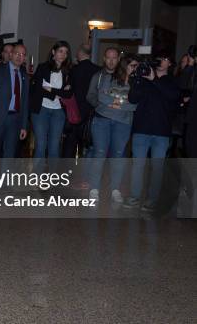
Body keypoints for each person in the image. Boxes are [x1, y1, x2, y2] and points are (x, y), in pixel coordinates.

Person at [125, 54, 180, 211]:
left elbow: (173, 96)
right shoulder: (144, 78)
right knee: (138, 165)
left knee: (157, 167)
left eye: (164, 58)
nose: (160, 60)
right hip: (141, 129)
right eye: (159, 57)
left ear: (170, 62)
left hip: (161, 132)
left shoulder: (172, 82)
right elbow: (133, 99)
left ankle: (152, 199)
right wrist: (136, 79)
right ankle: (134, 197)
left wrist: (154, 79)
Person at [86, 49, 138, 203]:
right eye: (108, 58)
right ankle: (94, 188)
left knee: (118, 156)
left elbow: (135, 104)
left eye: (114, 58)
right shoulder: (103, 76)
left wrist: (115, 104)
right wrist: (119, 104)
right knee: (99, 153)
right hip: (102, 120)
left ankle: (115, 189)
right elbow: (101, 96)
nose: (111, 61)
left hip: (123, 123)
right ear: (104, 58)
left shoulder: (134, 80)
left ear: (119, 59)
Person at [29, 41, 73, 159]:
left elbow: (68, 94)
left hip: (58, 111)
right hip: (41, 109)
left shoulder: (69, 71)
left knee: (54, 147)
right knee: (41, 145)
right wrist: (57, 94)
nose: (63, 55)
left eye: (66, 52)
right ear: (53, 52)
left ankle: (53, 176)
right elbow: (37, 89)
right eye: (60, 51)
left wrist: (51, 90)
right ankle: (37, 177)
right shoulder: (43, 67)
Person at [62, 44, 100, 158]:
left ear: (80, 53)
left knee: (69, 145)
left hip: (74, 112)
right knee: (87, 145)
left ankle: (66, 173)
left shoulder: (74, 70)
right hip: (90, 113)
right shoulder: (98, 70)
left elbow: (68, 91)